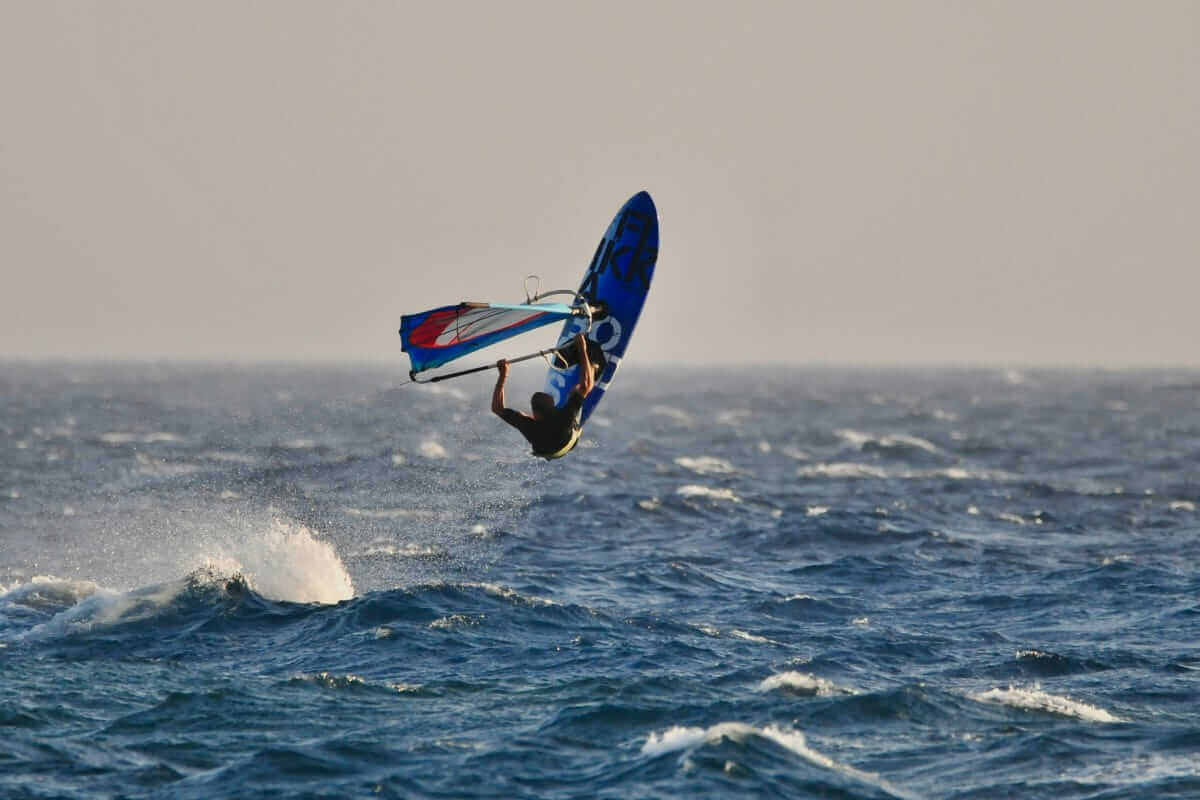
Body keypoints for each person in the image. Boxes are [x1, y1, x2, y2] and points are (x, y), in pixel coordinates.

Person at [492, 332, 594, 459]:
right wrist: (582, 348)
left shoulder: (530, 427)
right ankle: (593, 366)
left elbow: (497, 408)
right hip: (566, 444)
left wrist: (503, 375)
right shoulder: (563, 418)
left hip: (543, 449)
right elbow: (586, 385)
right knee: (577, 391)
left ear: (535, 415)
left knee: (520, 418)